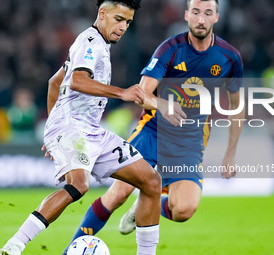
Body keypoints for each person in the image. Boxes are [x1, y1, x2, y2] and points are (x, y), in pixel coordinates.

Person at [62, 0, 244, 253]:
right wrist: (162, 105)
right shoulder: (169, 49)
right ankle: (70, 249)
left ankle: (144, 207)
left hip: (189, 141)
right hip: (152, 131)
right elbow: (142, 91)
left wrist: (230, 152)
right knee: (117, 195)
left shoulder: (229, 58)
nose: (201, 19)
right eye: (195, 12)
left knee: (184, 210)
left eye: (207, 13)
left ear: (216, 17)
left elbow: (237, 106)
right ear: (186, 16)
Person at [0, 1, 162, 255]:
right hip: (74, 128)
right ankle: (15, 245)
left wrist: (53, 129)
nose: (123, 27)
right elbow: (76, 80)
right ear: (102, 13)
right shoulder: (90, 42)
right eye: (119, 19)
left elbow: (55, 83)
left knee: (151, 181)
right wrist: (122, 93)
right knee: (79, 185)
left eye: (128, 22)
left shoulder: (99, 46)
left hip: (90, 131)